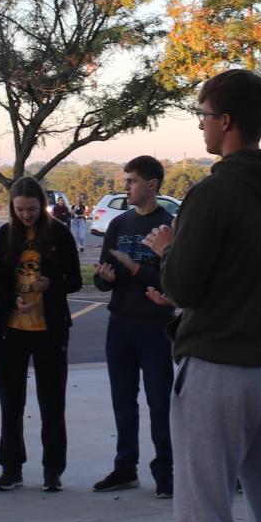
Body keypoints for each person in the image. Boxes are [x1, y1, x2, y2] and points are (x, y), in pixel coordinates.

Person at [145, 68, 261, 522]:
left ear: (228, 121)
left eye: (203, 116)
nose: (200, 127)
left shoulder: (214, 194)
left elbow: (184, 288)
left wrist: (168, 251)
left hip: (220, 366)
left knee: (206, 510)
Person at [0, 177, 83, 491]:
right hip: (12, 330)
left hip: (50, 329)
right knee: (11, 402)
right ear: (12, 207)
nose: (26, 215)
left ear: (41, 206)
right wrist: (9, 297)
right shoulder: (4, 235)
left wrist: (50, 285)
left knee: (52, 402)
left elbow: (74, 281)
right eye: (19, 209)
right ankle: (11, 467)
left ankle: (52, 470)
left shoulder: (59, 233)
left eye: (31, 209)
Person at [91, 156, 176, 497]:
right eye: (126, 180)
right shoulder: (120, 224)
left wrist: (138, 270)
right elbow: (104, 276)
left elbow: (173, 282)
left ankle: (165, 471)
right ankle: (125, 466)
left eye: (132, 180)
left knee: (159, 402)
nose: (126, 186)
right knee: (123, 400)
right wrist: (105, 277)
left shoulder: (169, 226)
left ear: (152, 185)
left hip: (155, 327)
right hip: (120, 323)